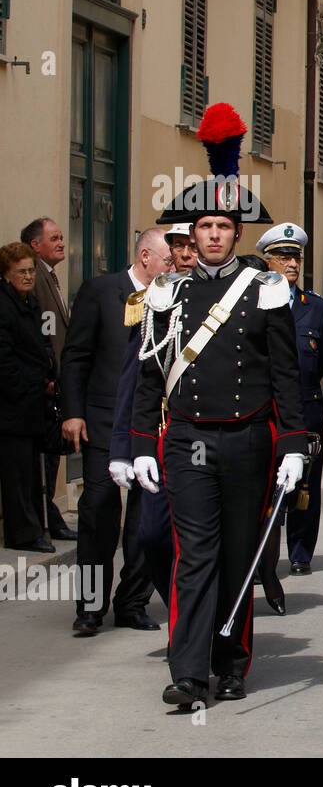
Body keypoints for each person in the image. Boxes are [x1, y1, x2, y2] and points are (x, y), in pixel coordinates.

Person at [131, 102, 308, 709]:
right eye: (202, 227)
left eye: (222, 227)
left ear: (237, 233)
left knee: (239, 555)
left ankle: (231, 660)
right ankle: (188, 672)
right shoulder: (167, 293)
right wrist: (136, 446)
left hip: (250, 440)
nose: (212, 235)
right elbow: (150, 374)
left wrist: (293, 444)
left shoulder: (266, 288)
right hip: (185, 442)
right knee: (193, 556)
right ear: (190, 235)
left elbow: (288, 375)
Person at [61, 229, 171, 636]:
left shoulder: (171, 296)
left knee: (145, 520)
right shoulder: (101, 291)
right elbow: (76, 355)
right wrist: (73, 412)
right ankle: (90, 607)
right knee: (98, 516)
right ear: (145, 256)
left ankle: (133, 603)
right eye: (166, 259)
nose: (173, 266)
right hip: (104, 421)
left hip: (149, 424)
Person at [106, 224, 199, 609]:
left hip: (214, 434)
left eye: (192, 246)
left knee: (204, 540)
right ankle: (177, 605)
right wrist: (120, 448)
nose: (188, 254)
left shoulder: (237, 294)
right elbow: (135, 379)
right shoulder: (154, 302)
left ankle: (197, 621)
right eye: (180, 247)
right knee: (153, 536)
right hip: (162, 435)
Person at [255, 224, 323, 583]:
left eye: (296, 257)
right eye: (283, 257)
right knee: (262, 486)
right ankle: (259, 556)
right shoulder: (252, 302)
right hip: (262, 408)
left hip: (305, 406)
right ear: (266, 262)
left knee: (305, 487)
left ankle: (300, 553)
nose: (292, 264)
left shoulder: (315, 307)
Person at [0, 243, 58, 553]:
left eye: (31, 270)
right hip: (13, 405)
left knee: (33, 471)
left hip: (34, 401)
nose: (27, 276)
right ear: (7, 275)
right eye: (21, 271)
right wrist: (31, 385)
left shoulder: (30, 303)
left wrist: (48, 378)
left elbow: (38, 346)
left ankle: (36, 526)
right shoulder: (4, 305)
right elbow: (5, 359)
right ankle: (21, 533)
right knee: (17, 473)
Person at [22, 217, 76, 541]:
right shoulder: (37, 277)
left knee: (53, 453)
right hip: (47, 381)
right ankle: (47, 517)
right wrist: (50, 371)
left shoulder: (49, 275)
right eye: (53, 238)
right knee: (47, 454)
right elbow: (43, 330)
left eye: (61, 237)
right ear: (35, 245)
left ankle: (49, 516)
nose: (61, 243)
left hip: (56, 379)